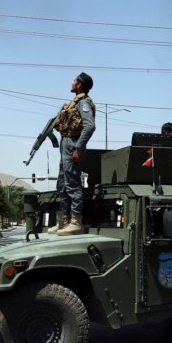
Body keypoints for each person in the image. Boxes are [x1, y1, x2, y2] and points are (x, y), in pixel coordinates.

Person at [48, 72, 96, 236]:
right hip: (66, 144)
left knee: (73, 184)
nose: (71, 82)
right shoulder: (72, 103)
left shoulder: (83, 103)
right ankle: (64, 221)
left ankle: (76, 222)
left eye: (74, 80)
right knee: (62, 184)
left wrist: (78, 148)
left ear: (80, 85)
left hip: (74, 144)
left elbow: (89, 126)